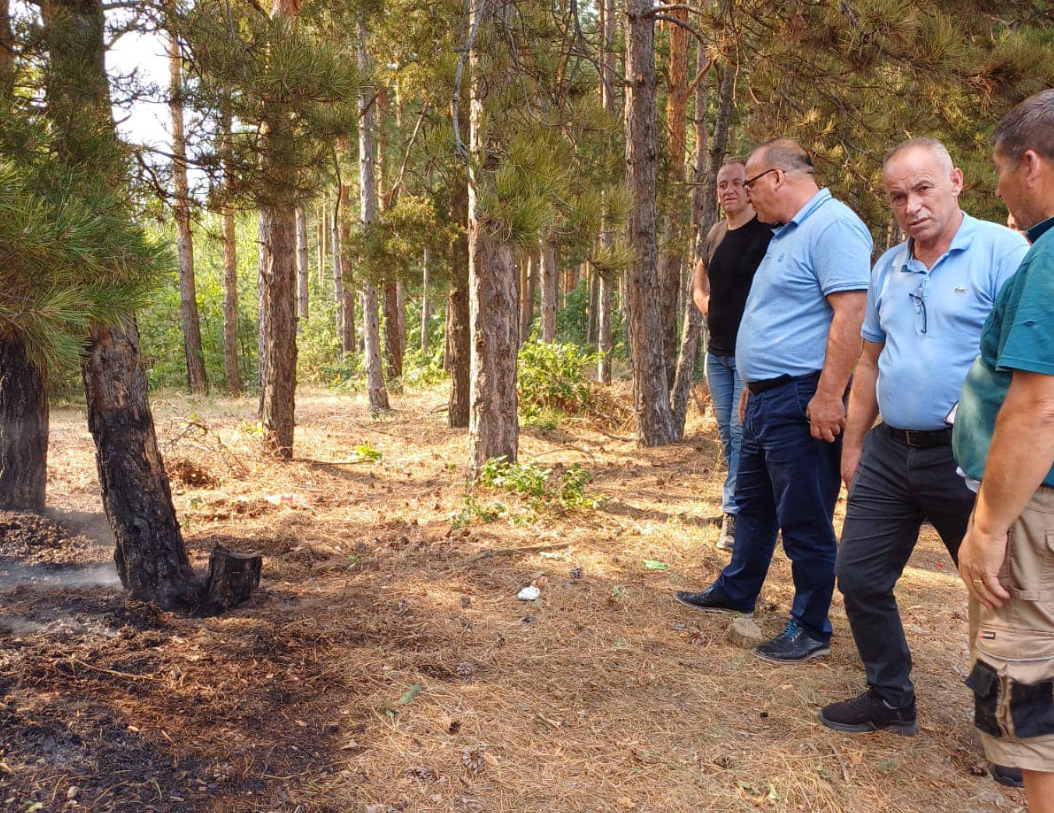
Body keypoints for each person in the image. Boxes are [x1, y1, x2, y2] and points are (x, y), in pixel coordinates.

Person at [817, 139, 1028, 737]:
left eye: (923, 189)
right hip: (891, 450)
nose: (911, 205)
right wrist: (854, 445)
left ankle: (1009, 728)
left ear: (956, 181)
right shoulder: (887, 266)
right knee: (858, 576)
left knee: (997, 591)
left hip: (971, 458)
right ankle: (890, 697)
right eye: (898, 196)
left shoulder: (1002, 252)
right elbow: (869, 363)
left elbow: (1029, 364)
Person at [674, 138, 871, 663]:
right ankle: (738, 587)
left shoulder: (833, 227)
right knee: (754, 505)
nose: (747, 195)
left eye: (753, 184)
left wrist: (830, 395)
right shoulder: (786, 232)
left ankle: (810, 625)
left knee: (804, 515)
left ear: (778, 178)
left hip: (804, 396)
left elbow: (851, 314)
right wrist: (753, 389)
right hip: (765, 396)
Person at [954, 89, 1054, 813]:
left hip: (1037, 510)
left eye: (998, 170)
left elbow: (1037, 403)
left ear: (1032, 163)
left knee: (1032, 680)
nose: (997, 188)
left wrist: (988, 527)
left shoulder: (1049, 258)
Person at [692, 158, 773, 551]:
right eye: (721, 185)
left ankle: (734, 515)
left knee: (743, 434)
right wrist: (703, 301)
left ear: (749, 189)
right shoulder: (715, 233)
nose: (727, 190)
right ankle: (744, 501)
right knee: (728, 435)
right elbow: (700, 275)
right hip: (717, 354)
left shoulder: (766, 234)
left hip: (749, 355)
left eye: (736, 183)